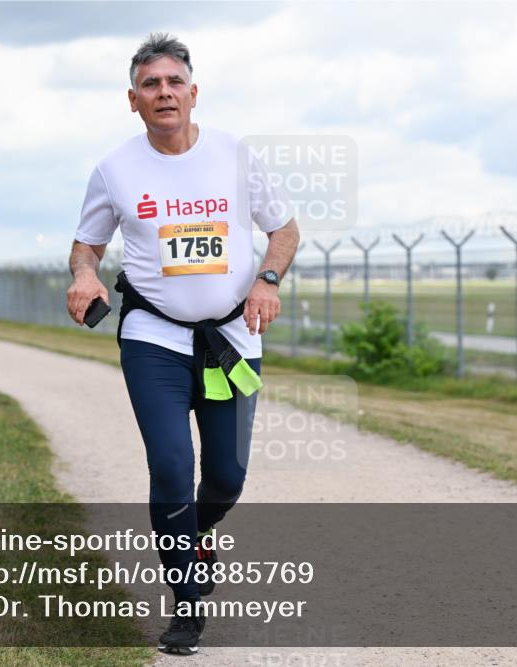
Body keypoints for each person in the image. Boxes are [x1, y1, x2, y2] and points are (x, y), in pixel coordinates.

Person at [67, 33, 299, 655]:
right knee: (172, 466)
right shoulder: (115, 169)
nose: (163, 93)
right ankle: (188, 606)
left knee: (225, 476)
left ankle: (196, 531)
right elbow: (86, 244)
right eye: (150, 84)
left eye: (174, 83)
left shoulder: (236, 156)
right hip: (152, 337)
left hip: (231, 337)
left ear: (193, 93)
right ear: (133, 100)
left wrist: (267, 280)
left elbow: (283, 229)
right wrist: (85, 272)